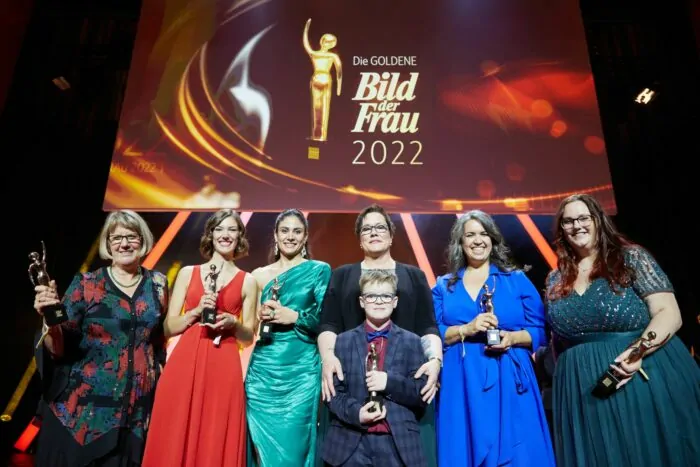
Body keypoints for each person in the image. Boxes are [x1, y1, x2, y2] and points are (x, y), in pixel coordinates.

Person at [545, 193, 700, 467]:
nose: (576, 226)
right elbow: (557, 339)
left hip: (639, 375)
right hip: (582, 391)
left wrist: (637, 352)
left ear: (598, 220)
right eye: (568, 221)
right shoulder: (555, 278)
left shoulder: (631, 258)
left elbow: (668, 313)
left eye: (583, 218)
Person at [32, 210, 168, 466]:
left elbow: (159, 340)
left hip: (134, 412)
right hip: (84, 413)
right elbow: (58, 348)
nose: (124, 244)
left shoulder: (159, 284)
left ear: (143, 240)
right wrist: (49, 319)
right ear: (108, 244)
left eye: (131, 237)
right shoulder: (87, 283)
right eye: (116, 238)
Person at [317, 204, 442, 466]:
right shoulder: (342, 275)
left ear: (391, 234)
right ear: (359, 238)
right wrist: (328, 357)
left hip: (403, 395)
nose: (374, 232)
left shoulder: (414, 276)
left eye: (380, 227)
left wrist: (435, 361)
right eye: (367, 229)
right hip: (351, 389)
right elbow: (329, 323)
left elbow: (428, 326)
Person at [432, 210, 555, 467]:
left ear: (493, 239)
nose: (478, 240)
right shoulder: (444, 285)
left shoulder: (515, 280)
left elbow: (541, 330)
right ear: (460, 242)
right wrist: (467, 329)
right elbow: (433, 332)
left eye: (484, 234)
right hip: (461, 378)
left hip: (509, 374)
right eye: (470, 235)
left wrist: (512, 338)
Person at [142, 209, 257, 467]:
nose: (225, 235)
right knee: (176, 426)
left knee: (214, 430)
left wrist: (233, 323)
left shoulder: (248, 281)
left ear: (240, 236)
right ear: (211, 234)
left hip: (223, 361)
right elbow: (168, 327)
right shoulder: (188, 273)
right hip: (186, 360)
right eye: (219, 229)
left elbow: (248, 336)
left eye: (232, 229)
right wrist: (194, 312)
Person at [245, 209, 331, 466]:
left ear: (305, 237)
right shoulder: (258, 275)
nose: (290, 236)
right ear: (275, 235)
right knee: (262, 451)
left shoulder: (319, 270)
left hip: (301, 369)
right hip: (263, 370)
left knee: (294, 449)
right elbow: (250, 327)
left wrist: (295, 316)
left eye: (297, 231)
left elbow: (327, 321)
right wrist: (261, 315)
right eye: (284, 231)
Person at [322, 269, 428, 467]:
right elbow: (332, 394)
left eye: (385, 296)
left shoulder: (412, 341)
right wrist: (357, 413)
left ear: (395, 301)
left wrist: (389, 382)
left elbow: (421, 394)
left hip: (397, 444)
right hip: (350, 443)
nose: (379, 302)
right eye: (371, 296)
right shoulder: (342, 341)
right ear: (362, 301)